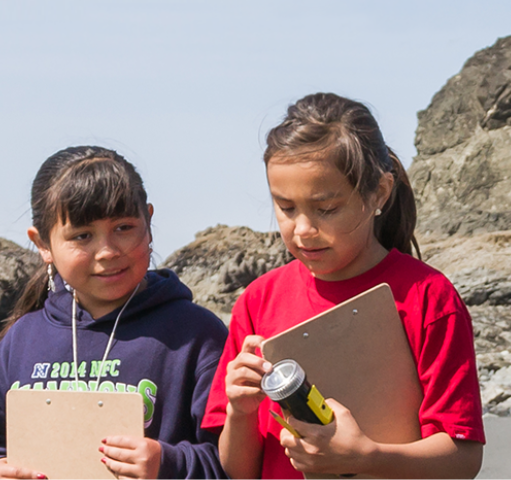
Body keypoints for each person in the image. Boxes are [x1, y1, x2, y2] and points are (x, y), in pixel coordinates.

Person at [202, 93, 485, 479]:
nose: (302, 229)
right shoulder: (257, 301)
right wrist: (240, 409)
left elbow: (462, 459)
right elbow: (237, 470)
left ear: (378, 194)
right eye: (286, 208)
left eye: (327, 209)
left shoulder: (428, 297)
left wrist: (366, 458)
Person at [0, 146, 228, 480]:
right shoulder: (21, 340)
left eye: (123, 228)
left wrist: (168, 463)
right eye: (82, 236)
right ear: (43, 244)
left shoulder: (197, 335)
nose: (107, 251)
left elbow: (234, 462)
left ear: (148, 220)